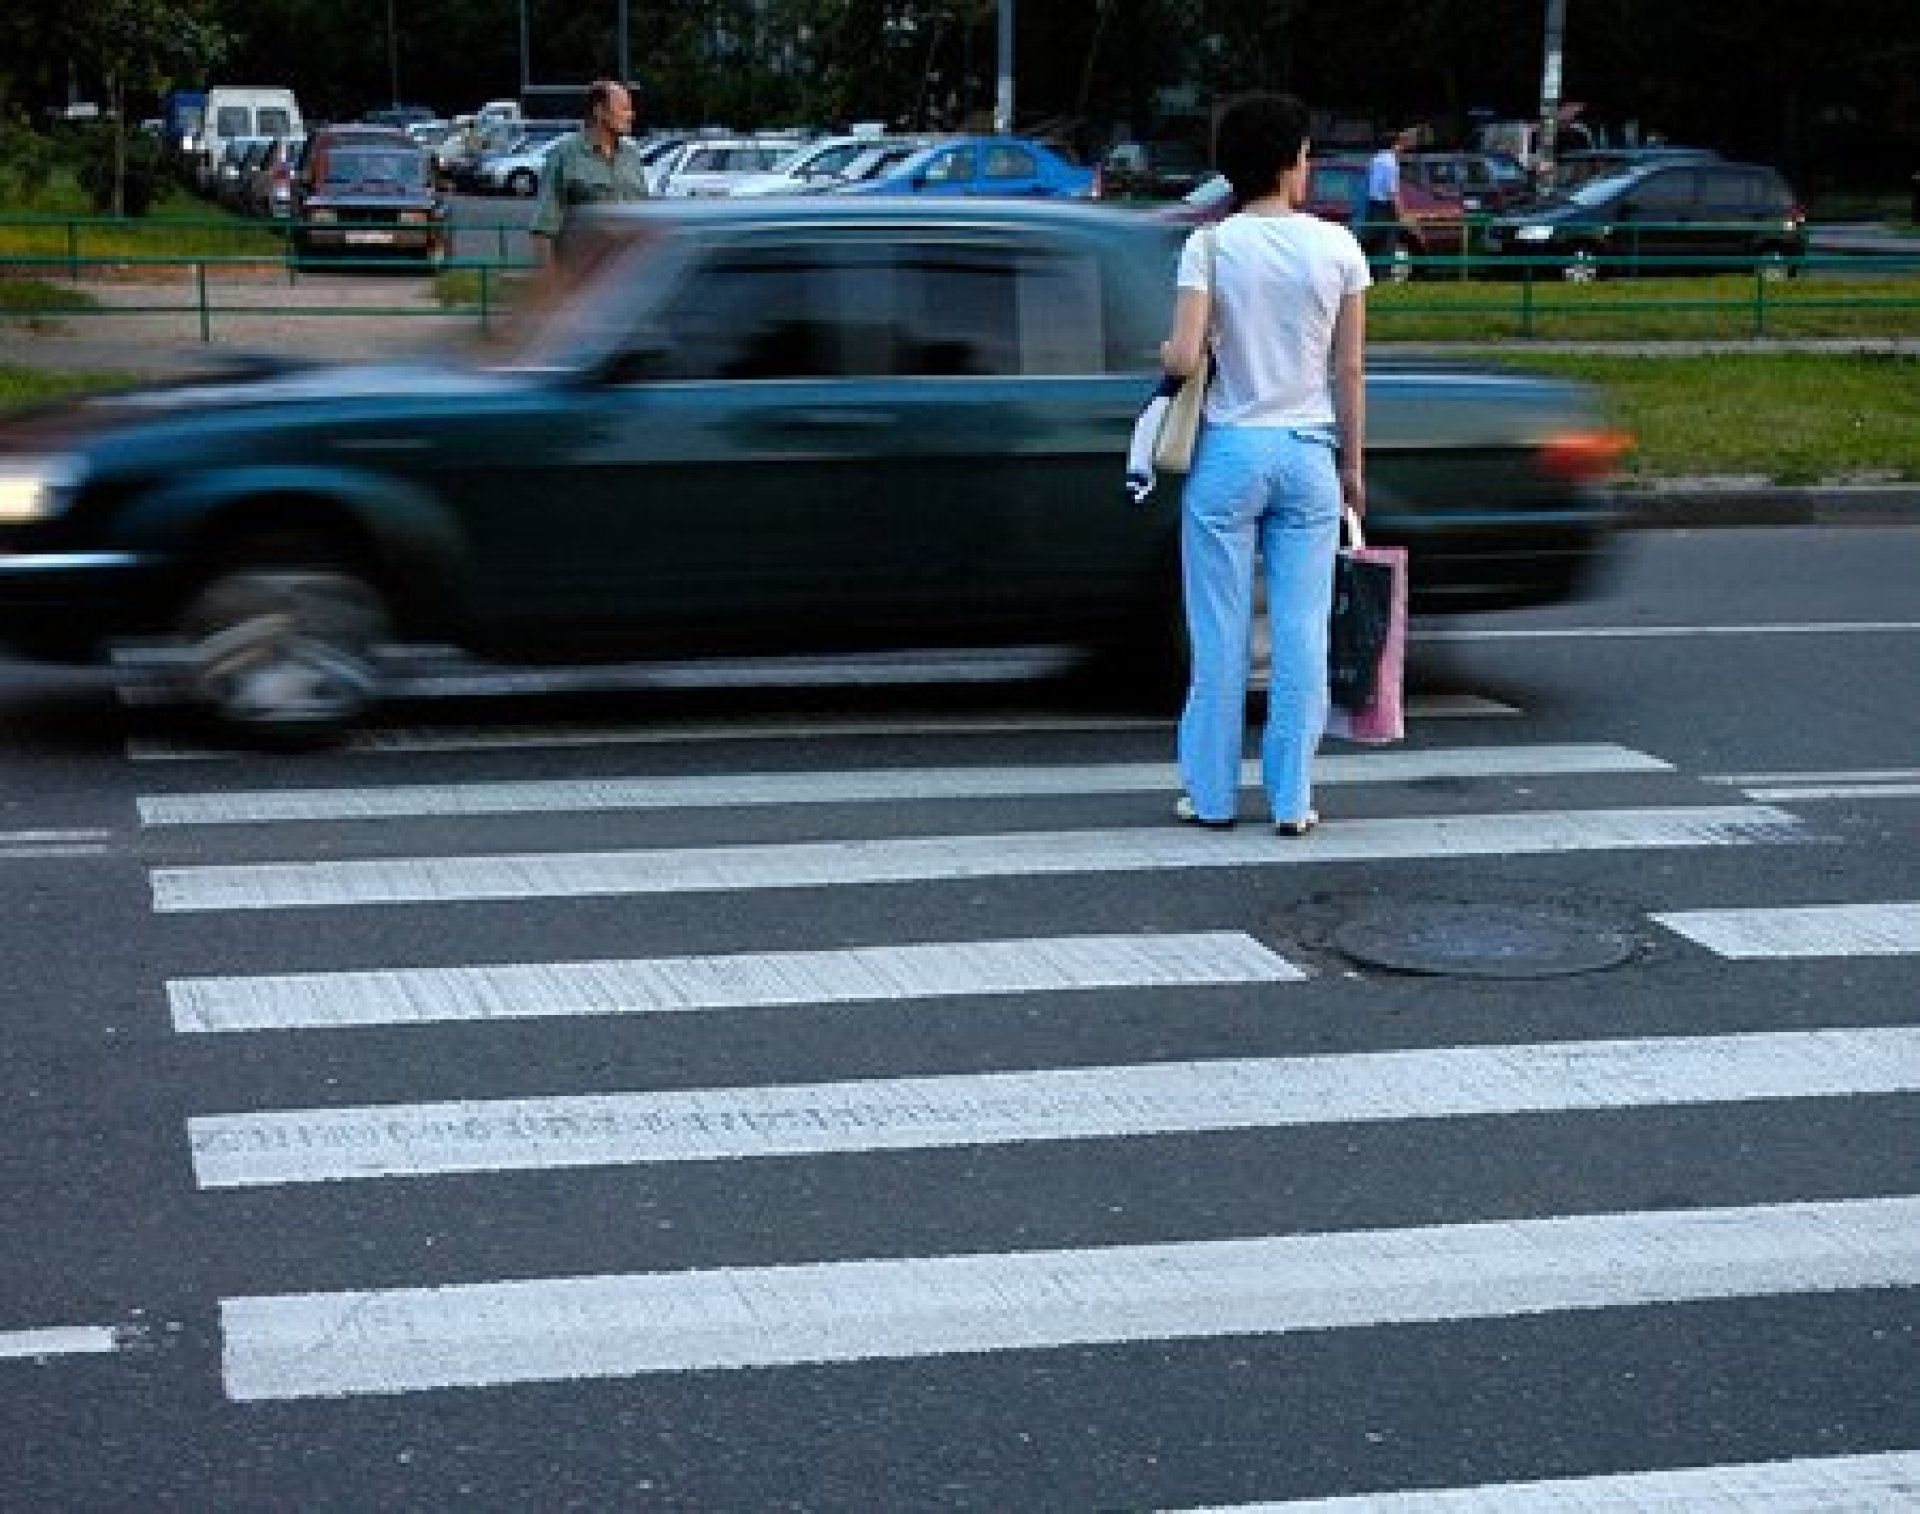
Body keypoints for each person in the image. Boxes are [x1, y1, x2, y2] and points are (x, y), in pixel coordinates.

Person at [1159, 92, 1370, 835]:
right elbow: (1349, 371)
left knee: (1218, 636)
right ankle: (1292, 800)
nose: (1309, 166)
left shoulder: (1210, 246)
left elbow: (1185, 356)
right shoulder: (1339, 249)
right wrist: (1354, 466)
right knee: (1301, 631)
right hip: (1310, 454)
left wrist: (1170, 355)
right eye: (1306, 154)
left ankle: (1212, 799)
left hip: (1229, 456)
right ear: (1287, 164)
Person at [529, 80, 649, 269]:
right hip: (585, 283)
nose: (631, 115)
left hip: (629, 279)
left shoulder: (632, 155)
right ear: (599, 111)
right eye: (624, 108)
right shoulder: (565, 155)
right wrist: (553, 286)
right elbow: (543, 231)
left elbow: (644, 217)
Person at [1360, 126, 1415, 260]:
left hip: (1372, 207)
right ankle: (1383, 274)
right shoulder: (1391, 163)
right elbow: (1392, 192)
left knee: (1373, 243)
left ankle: (1373, 274)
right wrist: (1402, 214)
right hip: (1385, 208)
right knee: (1387, 244)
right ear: (1395, 144)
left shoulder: (1375, 159)